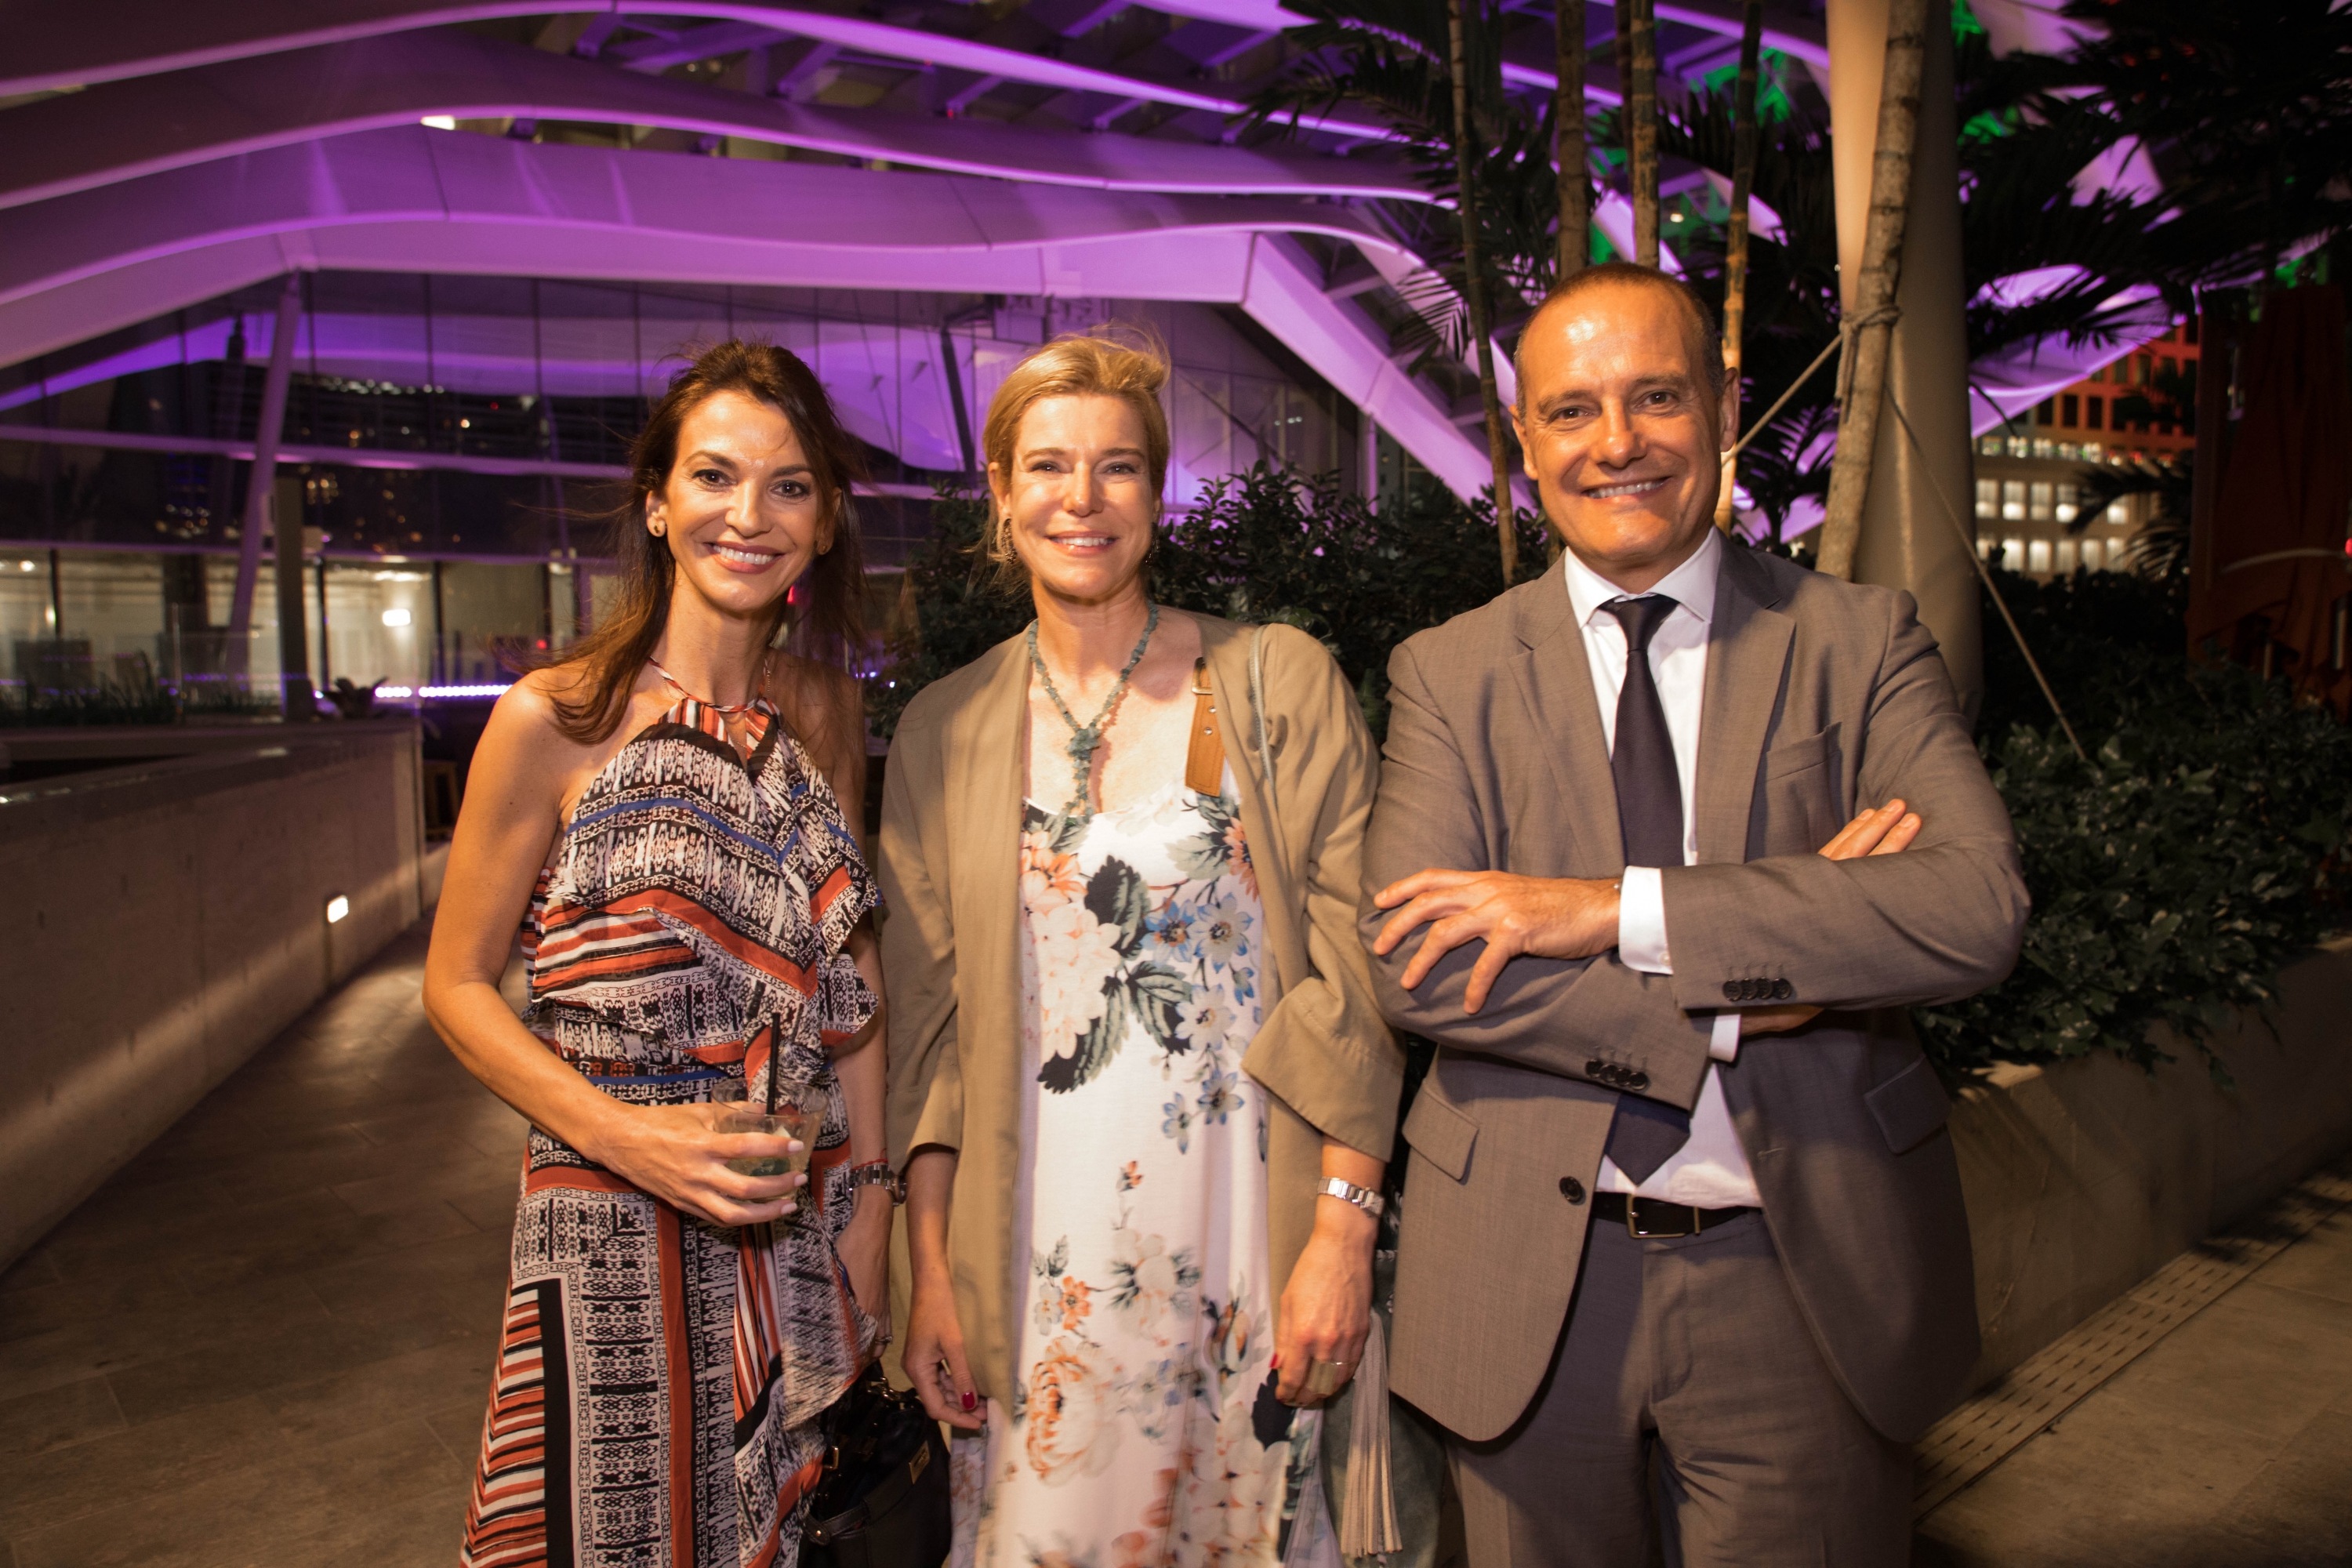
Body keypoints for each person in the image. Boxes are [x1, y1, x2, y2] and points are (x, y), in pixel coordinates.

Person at [1361, 263, 2029, 1565]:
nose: (1618, 443)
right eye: (1572, 411)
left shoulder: (1859, 641)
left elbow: (1968, 908)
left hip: (1802, 1272)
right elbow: (1423, 971)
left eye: (1656, 396)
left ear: (1723, 409)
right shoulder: (1447, 673)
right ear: (1525, 446)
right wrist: (1765, 984)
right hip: (1525, 1282)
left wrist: (1615, 912)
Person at [879, 333, 1402, 1566]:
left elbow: (1356, 984)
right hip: (1035, 1259)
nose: (1081, 497)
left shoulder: (1266, 685)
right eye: (1048, 465)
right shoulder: (947, 730)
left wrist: (1344, 1230)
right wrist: (934, 1277)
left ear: (1155, 494)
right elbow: (932, 1042)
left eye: (1117, 468)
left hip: (1244, 1247)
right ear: (1000, 493)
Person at [423, 341, 895, 1567]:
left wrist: (874, 1209)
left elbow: (856, 995)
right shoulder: (556, 717)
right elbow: (454, 985)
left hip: (793, 1211)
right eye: (714, 477)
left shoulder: (828, 714)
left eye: (790, 486)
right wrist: (626, 1137)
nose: (750, 516)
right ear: (656, 501)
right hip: (610, 1213)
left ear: (828, 520)